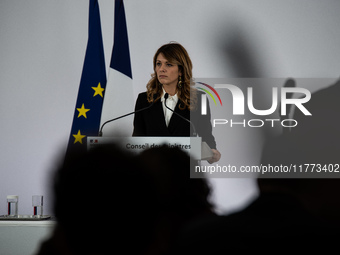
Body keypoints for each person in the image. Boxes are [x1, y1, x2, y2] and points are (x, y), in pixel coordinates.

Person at [132, 42, 221, 163]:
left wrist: (212, 151)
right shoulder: (144, 100)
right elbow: (137, 140)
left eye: (168, 64)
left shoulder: (199, 99)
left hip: (184, 171)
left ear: (181, 70)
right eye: (158, 64)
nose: (161, 69)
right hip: (153, 172)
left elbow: (206, 136)